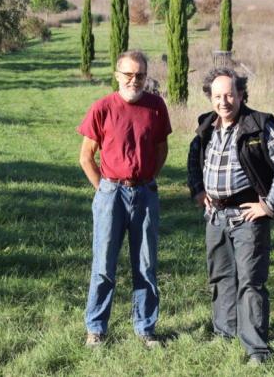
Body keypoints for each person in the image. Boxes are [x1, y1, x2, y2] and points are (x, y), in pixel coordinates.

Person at [187, 67, 274, 365]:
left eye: (229, 94)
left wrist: (269, 206)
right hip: (215, 216)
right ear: (210, 98)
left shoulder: (257, 125)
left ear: (241, 94)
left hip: (247, 217)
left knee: (250, 282)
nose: (223, 101)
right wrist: (198, 190)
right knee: (221, 277)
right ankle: (225, 335)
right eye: (217, 95)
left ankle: (257, 349)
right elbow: (193, 157)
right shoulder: (206, 125)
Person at [77, 50, 172, 347]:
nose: (134, 80)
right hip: (111, 193)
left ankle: (145, 328)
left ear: (146, 76)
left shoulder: (156, 106)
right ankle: (96, 328)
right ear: (117, 75)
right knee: (104, 265)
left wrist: (146, 179)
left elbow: (161, 150)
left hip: (144, 192)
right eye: (128, 75)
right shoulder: (103, 107)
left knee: (145, 264)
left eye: (140, 75)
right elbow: (85, 157)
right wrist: (104, 189)